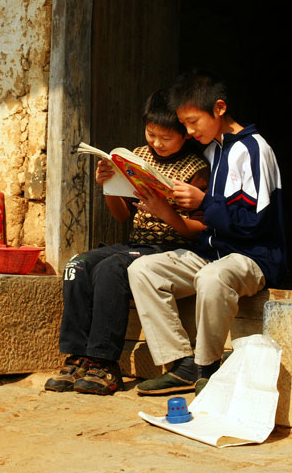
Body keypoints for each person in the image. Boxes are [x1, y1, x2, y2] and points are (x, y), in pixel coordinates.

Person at [128, 70, 287, 396]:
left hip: (252, 257)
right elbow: (211, 215)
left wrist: (205, 202)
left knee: (212, 278)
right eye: (183, 124)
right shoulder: (213, 151)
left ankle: (207, 368)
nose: (188, 131)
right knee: (143, 269)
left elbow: (255, 223)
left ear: (218, 108)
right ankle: (180, 364)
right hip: (212, 252)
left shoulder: (253, 150)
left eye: (192, 122)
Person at [44, 89, 210, 396]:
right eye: (151, 134)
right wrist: (109, 186)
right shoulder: (138, 156)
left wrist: (163, 210)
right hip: (137, 243)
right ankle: (77, 356)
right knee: (77, 264)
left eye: (166, 137)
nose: (156, 143)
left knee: (112, 268)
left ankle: (105, 364)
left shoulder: (195, 169)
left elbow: (199, 231)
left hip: (170, 251)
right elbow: (121, 217)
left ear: (185, 135)